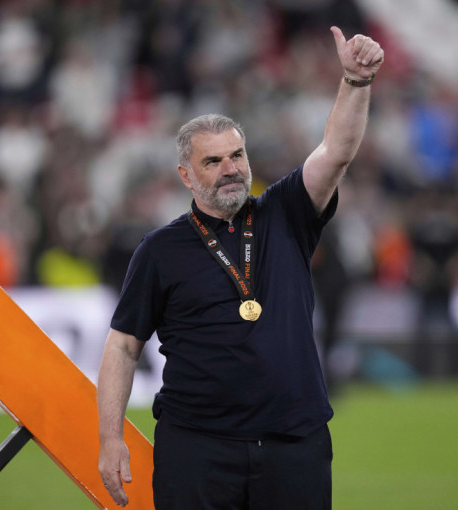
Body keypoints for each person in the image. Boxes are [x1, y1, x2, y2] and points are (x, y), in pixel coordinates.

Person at [97, 26, 383, 509]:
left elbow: (335, 153)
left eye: (237, 155)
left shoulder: (286, 212)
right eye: (213, 161)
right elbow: (123, 346)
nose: (231, 169)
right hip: (198, 448)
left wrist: (355, 81)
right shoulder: (159, 250)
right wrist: (110, 438)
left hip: (294, 443)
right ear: (186, 175)